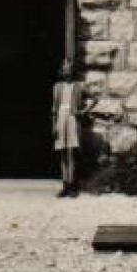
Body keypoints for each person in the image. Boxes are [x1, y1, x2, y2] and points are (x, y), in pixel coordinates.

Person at [51, 64, 86, 197]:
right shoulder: (57, 87)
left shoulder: (78, 86)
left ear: (72, 71)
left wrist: (82, 111)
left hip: (72, 118)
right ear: (62, 72)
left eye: (69, 69)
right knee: (62, 153)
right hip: (61, 117)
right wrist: (54, 124)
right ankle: (65, 184)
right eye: (65, 70)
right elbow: (54, 107)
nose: (67, 72)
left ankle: (72, 185)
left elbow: (89, 102)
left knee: (71, 152)